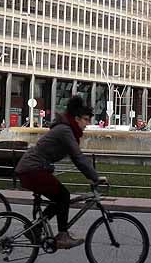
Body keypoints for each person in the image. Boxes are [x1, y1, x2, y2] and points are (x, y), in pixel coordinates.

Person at [14, 96, 105, 249]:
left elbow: (77, 158)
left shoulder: (67, 129)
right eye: (86, 119)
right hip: (32, 169)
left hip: (33, 169)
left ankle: (35, 229)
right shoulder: (65, 130)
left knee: (60, 198)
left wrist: (91, 177)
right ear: (76, 118)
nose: (88, 124)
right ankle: (62, 236)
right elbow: (78, 157)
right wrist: (95, 177)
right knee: (63, 196)